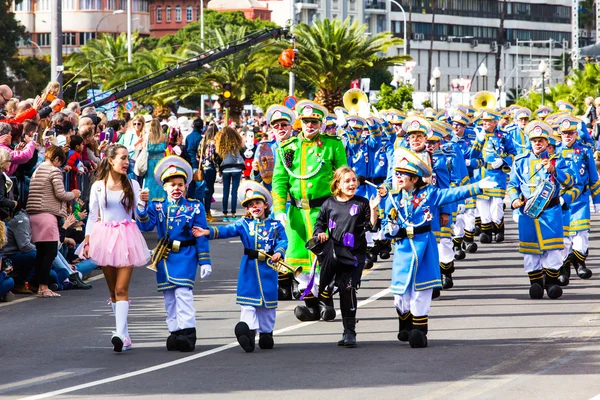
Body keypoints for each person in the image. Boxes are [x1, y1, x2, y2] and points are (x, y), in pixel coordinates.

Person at [379, 147, 497, 348]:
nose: (398, 178)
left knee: (422, 290)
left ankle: (419, 330)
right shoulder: (393, 197)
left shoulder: (429, 193)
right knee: (400, 293)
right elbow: (385, 222)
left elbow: (452, 193)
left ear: (415, 178)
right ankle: (405, 324)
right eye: (397, 174)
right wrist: (389, 228)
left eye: (403, 175)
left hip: (424, 246)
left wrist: (477, 187)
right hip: (402, 247)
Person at [271, 100, 347, 321]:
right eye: (305, 121)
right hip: (296, 213)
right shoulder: (289, 147)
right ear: (300, 123)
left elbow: (341, 177)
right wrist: (279, 209)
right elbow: (279, 180)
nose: (309, 125)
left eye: (314, 121)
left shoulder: (333, 145)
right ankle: (312, 305)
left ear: (321, 123)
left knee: (323, 260)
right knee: (297, 261)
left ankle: (326, 303)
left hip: (322, 212)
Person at [193, 181, 286, 353]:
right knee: (248, 304)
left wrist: (279, 252)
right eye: (250, 205)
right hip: (249, 269)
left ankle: (266, 333)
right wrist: (207, 232)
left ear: (266, 204)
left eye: (257, 203)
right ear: (248, 209)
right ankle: (248, 333)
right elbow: (227, 230)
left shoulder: (275, 225)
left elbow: (283, 240)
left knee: (267, 308)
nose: (254, 207)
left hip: (268, 269)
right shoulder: (244, 224)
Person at [136, 155, 211, 352]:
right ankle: (174, 331)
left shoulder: (195, 206)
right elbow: (146, 226)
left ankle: (188, 332)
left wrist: (204, 260)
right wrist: (142, 207)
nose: (177, 188)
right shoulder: (158, 205)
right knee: (169, 296)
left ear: (186, 186)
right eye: (172, 185)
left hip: (186, 254)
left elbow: (200, 234)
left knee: (183, 293)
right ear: (164, 187)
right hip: (164, 256)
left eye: (180, 184)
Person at [83, 144, 150, 352]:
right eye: (122, 158)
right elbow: (93, 216)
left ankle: (120, 334)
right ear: (110, 160)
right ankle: (125, 334)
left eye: (127, 158)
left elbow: (139, 215)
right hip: (104, 237)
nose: (126, 162)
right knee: (113, 291)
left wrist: (143, 204)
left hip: (127, 236)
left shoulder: (133, 184)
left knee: (122, 289)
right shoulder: (98, 186)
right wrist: (87, 240)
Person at [311, 166, 378, 347]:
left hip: (355, 254)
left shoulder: (362, 203)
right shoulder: (329, 204)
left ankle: (350, 332)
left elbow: (371, 227)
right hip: (334, 254)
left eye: (354, 180)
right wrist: (320, 234)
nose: (352, 184)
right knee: (333, 286)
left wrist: (374, 209)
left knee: (348, 288)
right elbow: (319, 224)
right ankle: (321, 304)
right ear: (337, 185)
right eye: (347, 181)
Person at [507, 121, 574, 300]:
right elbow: (513, 185)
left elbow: (570, 182)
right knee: (530, 251)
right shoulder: (520, 161)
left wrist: (554, 170)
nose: (538, 143)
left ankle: (551, 282)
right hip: (528, 213)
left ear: (547, 143)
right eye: (535, 140)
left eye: (541, 140)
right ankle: (535, 283)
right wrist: (514, 199)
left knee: (552, 250)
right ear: (530, 142)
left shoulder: (557, 161)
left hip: (550, 212)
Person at [26, 145, 81, 298]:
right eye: (60, 162)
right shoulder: (54, 171)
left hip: (35, 214)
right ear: (56, 159)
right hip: (47, 214)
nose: (60, 166)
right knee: (49, 252)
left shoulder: (38, 169)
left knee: (41, 253)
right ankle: (44, 287)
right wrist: (74, 193)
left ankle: (39, 286)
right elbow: (61, 193)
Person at [215, 126, 244, 221]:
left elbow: (218, 158)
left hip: (225, 169)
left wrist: (219, 169)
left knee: (225, 191)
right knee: (234, 192)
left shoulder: (221, 145)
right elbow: (242, 154)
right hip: (236, 169)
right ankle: (233, 214)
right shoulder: (237, 144)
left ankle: (225, 214)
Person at [198, 124, 220, 221]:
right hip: (210, 168)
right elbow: (212, 157)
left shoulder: (202, 141)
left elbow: (198, 154)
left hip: (203, 167)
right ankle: (207, 212)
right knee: (209, 190)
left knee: (204, 190)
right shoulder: (213, 142)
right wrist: (218, 168)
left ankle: (204, 212)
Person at [144, 119, 168, 200]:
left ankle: (150, 200)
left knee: (150, 181)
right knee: (160, 181)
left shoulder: (147, 136)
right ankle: (161, 199)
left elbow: (145, 148)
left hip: (150, 161)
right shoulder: (164, 136)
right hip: (161, 162)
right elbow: (166, 147)